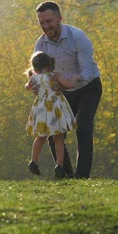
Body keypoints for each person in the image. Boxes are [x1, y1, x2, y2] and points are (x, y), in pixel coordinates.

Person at [31, 1, 102, 179]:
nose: (46, 26)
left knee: (83, 127)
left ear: (59, 18)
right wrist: (36, 85)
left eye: (49, 21)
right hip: (62, 91)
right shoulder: (41, 45)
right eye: (42, 23)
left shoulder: (77, 37)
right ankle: (65, 174)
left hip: (88, 87)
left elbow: (86, 71)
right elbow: (35, 71)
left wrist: (69, 82)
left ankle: (82, 176)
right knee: (54, 131)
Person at [24, 51, 78, 179]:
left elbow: (27, 87)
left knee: (41, 137)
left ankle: (34, 161)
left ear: (34, 67)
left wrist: (30, 84)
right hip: (55, 110)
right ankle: (59, 165)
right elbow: (68, 85)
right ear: (49, 65)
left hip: (42, 111)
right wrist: (76, 80)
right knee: (58, 138)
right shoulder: (54, 76)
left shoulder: (33, 78)